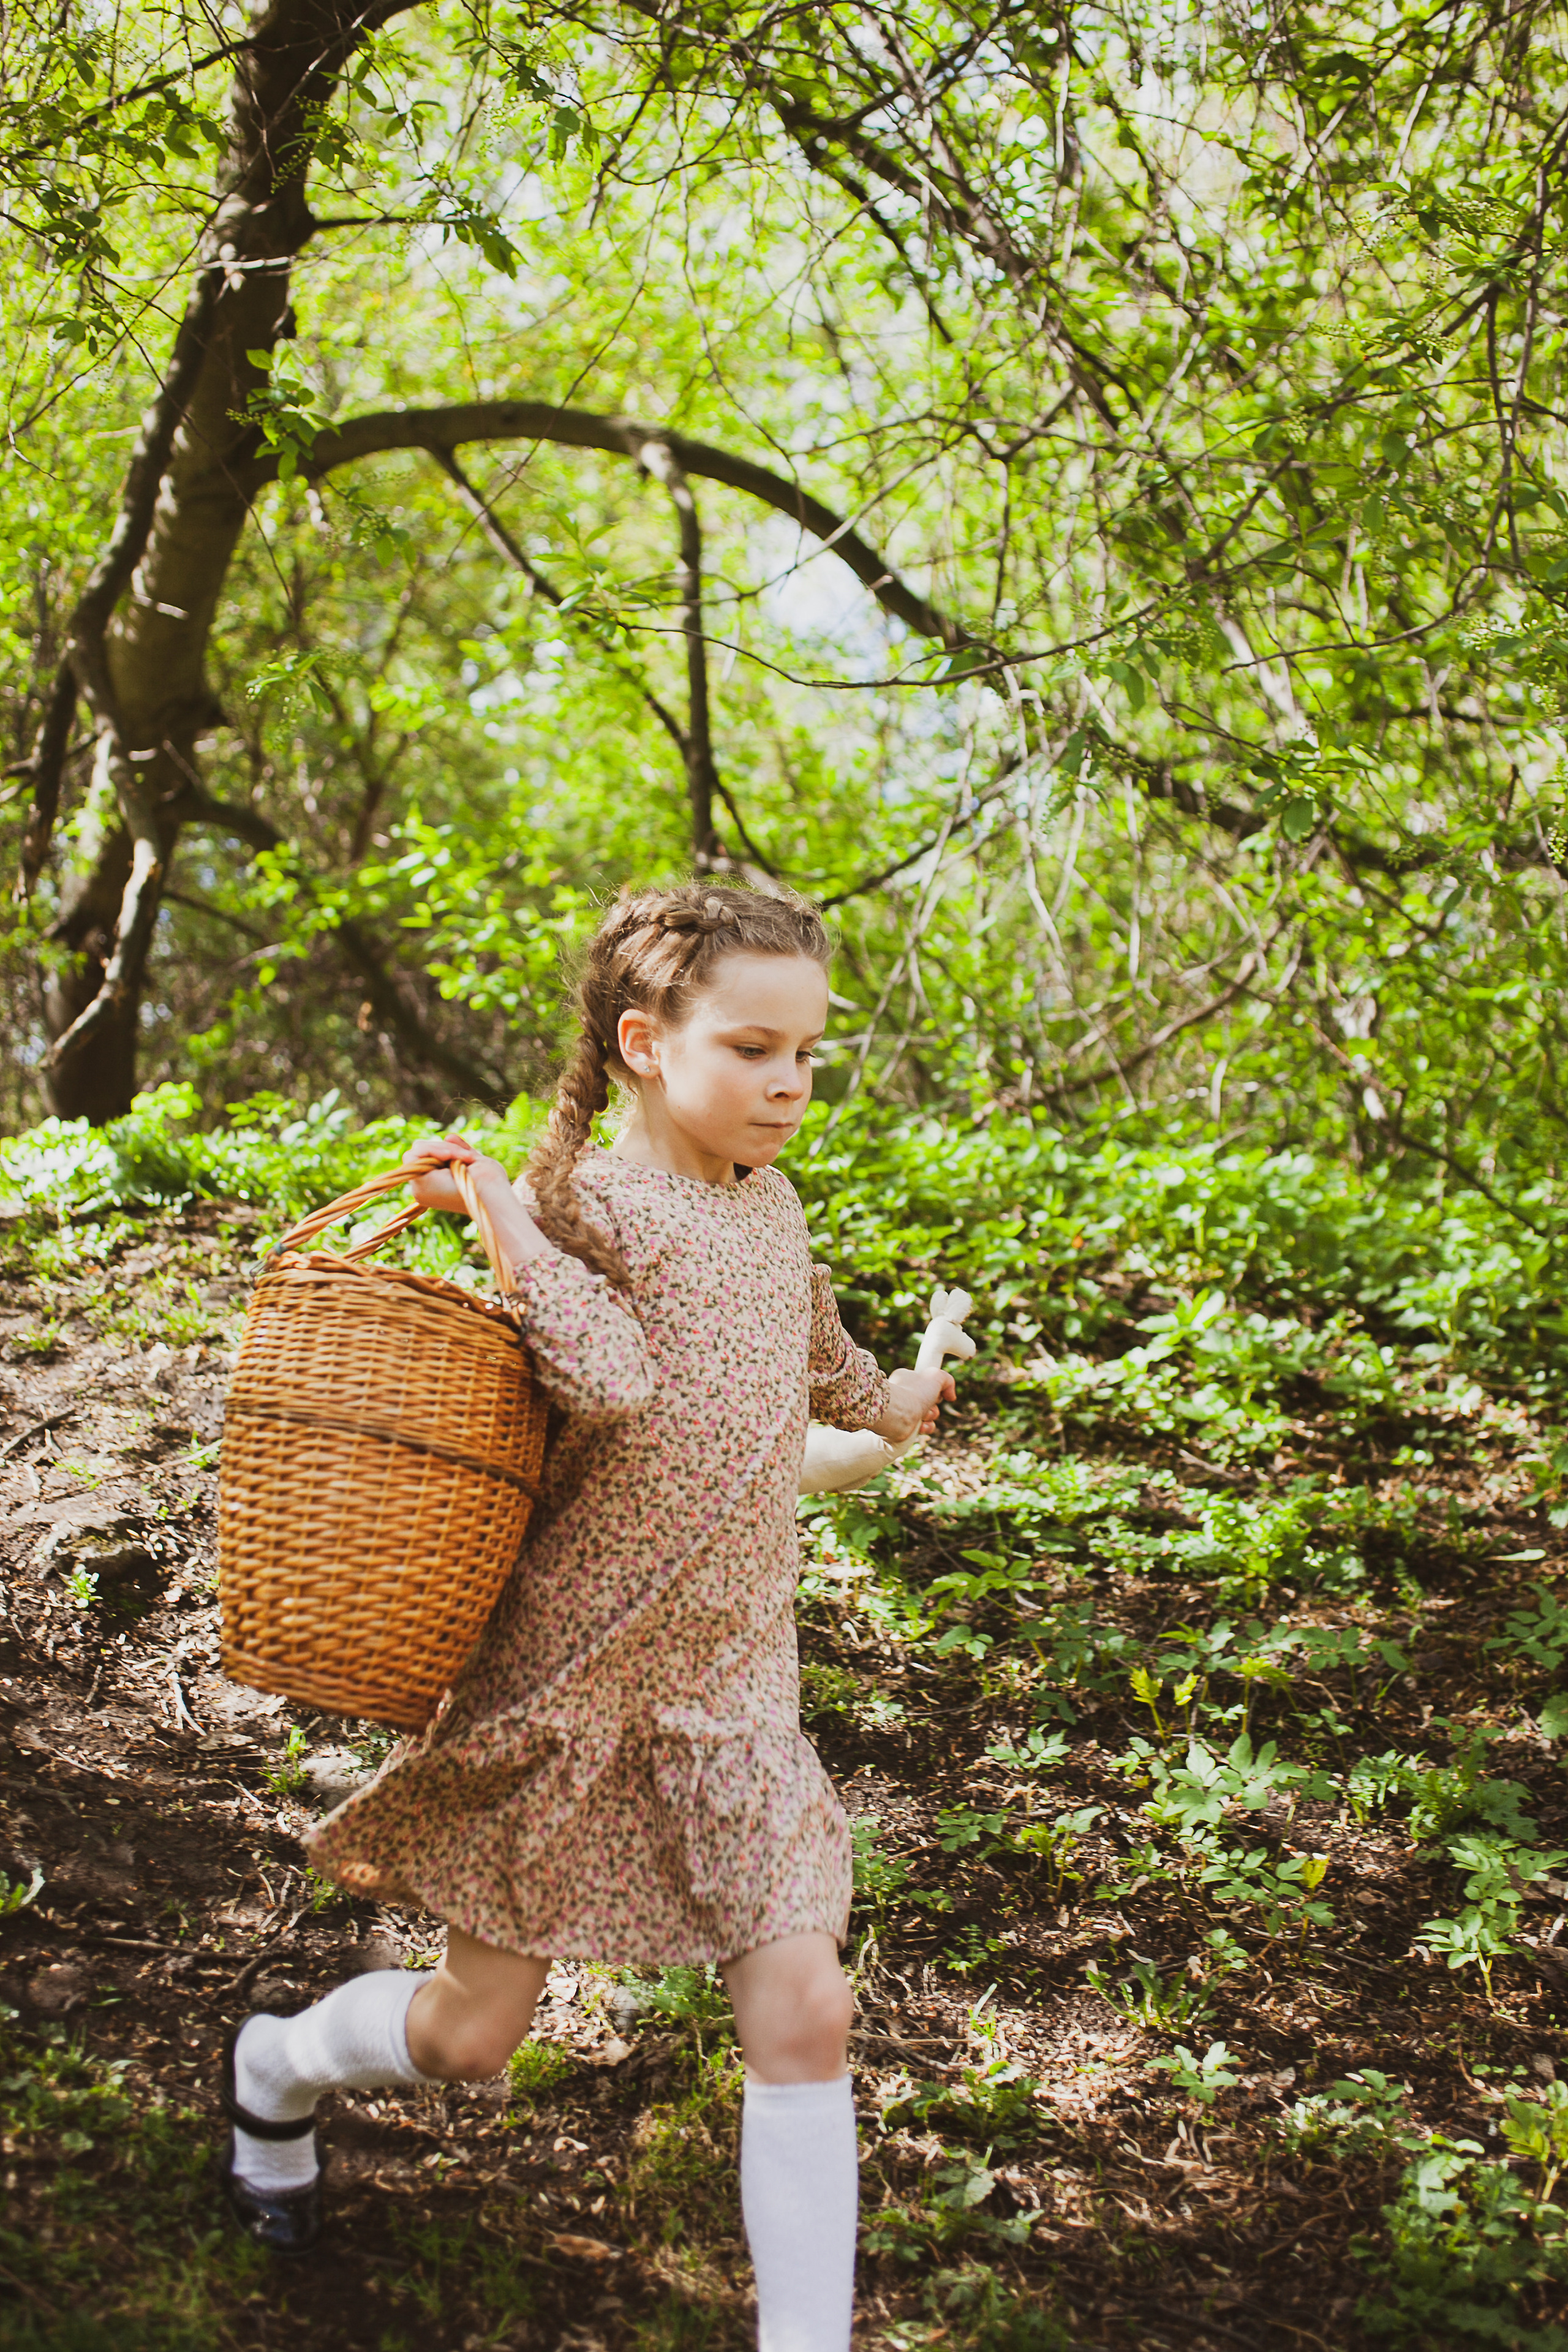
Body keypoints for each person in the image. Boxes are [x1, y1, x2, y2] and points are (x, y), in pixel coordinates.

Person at [219, 880, 954, 2351]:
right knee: (473, 2035)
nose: (792, 1083)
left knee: (804, 2008)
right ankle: (275, 2065)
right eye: (753, 1049)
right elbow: (611, 1382)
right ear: (641, 1041)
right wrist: (498, 1213)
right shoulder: (578, 1201)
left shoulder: (776, 1209)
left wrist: (907, 1393)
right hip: (573, 1682)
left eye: (808, 1052)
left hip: (734, 1693)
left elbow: (821, 1374)